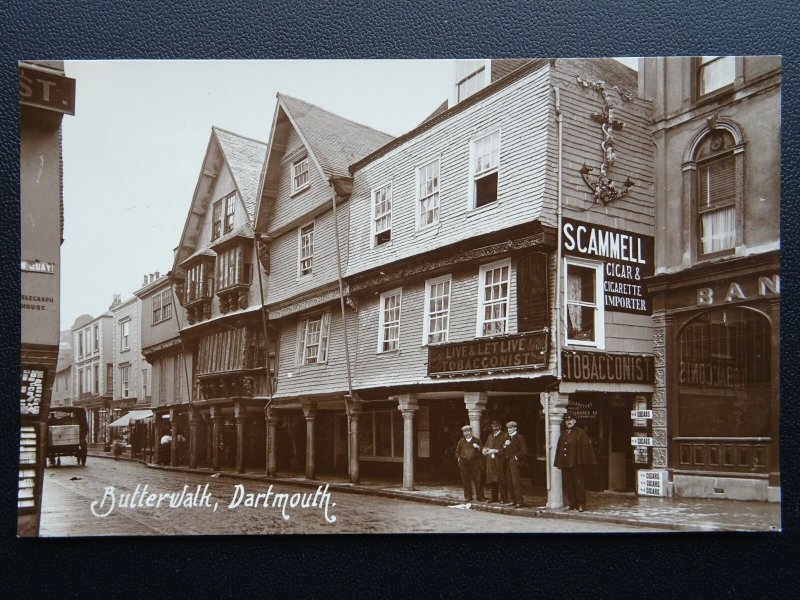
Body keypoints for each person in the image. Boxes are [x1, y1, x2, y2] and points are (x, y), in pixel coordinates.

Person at [554, 412, 597, 512]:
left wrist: (582, 461)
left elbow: (586, 448)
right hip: (566, 463)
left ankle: (581, 504)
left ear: (575, 421)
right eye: (567, 421)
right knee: (568, 484)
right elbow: (560, 448)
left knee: (579, 484)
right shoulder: (564, 433)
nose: (568, 422)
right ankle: (571, 503)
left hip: (577, 463)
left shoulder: (580, 433)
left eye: (570, 420)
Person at [454, 425, 484, 502]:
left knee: (478, 480)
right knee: (465, 480)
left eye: (468, 431)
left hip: (475, 463)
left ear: (471, 432)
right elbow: (457, 452)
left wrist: (478, 447)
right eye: (465, 432)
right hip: (464, 463)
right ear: (463, 433)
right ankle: (468, 496)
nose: (467, 433)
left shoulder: (477, 440)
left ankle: (480, 497)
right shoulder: (461, 441)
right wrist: (459, 459)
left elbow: (483, 451)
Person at [482, 420, 508, 503]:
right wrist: (484, 450)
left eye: (496, 426)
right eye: (493, 426)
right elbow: (486, 445)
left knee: (501, 480)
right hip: (491, 461)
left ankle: (504, 499)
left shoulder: (504, 436)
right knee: (493, 480)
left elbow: (506, 449)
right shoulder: (490, 436)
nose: (495, 428)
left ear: (500, 426)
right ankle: (494, 498)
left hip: (500, 461)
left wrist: (496, 451)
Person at [503, 421, 528, 507]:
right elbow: (504, 448)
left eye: (511, 428)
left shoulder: (519, 437)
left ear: (515, 428)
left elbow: (524, 450)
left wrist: (516, 457)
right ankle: (513, 500)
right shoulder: (506, 437)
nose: (509, 429)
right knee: (509, 481)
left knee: (516, 481)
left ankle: (519, 501)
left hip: (515, 461)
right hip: (508, 460)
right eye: (508, 428)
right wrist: (505, 446)